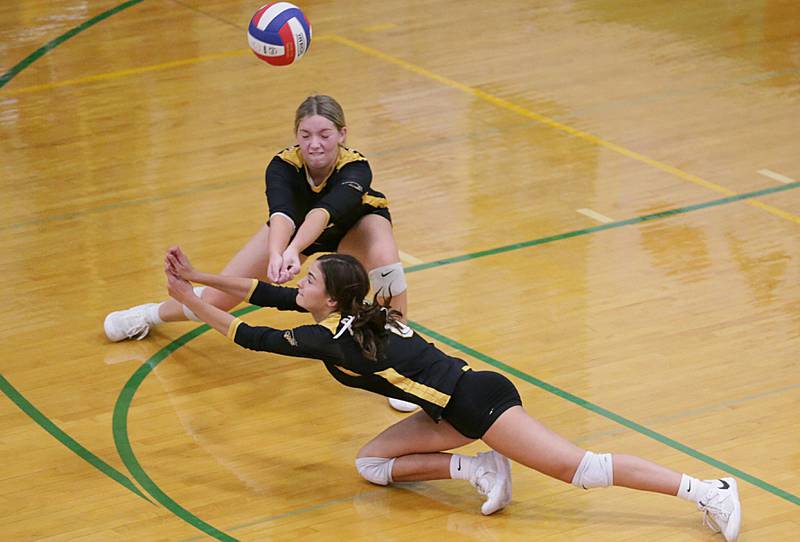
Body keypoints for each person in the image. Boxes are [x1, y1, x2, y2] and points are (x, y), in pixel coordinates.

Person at [163, 247, 742, 541]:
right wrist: (202, 277)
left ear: (332, 299)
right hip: (451, 409)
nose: (300, 284)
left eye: (310, 280)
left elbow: (249, 334)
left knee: (581, 469)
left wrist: (188, 302)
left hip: (477, 402)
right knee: (370, 463)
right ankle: (478, 471)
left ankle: (708, 490)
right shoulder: (352, 315)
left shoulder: (335, 340)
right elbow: (264, 292)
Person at [103, 94, 416, 412]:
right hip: (294, 228)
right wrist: (278, 253)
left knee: (385, 258)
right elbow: (281, 214)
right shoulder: (282, 166)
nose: (315, 144)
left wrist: (294, 249)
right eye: (305, 135)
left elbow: (323, 213)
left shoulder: (357, 168)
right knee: (214, 299)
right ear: (296, 136)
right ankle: (148, 315)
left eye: (324, 135)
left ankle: (403, 366)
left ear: (342, 135)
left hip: (355, 227)